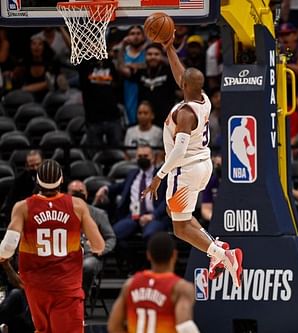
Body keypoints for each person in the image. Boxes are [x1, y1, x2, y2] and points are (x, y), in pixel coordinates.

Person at [141, 37, 244, 288]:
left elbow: (178, 150)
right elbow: (182, 74)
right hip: (201, 166)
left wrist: (159, 176)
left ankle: (224, 255)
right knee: (179, 217)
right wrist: (169, 48)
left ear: (184, 86)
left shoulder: (185, 114)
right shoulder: (203, 99)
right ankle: (217, 248)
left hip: (183, 170)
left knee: (180, 228)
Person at [0, 159, 105, 333]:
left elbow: (7, 248)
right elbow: (99, 246)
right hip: (66, 285)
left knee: (43, 330)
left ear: (37, 180)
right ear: (62, 180)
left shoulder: (22, 207)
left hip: (35, 286)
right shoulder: (77, 205)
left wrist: (5, 262)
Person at [107, 232, 199, 333]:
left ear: (148, 255)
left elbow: (113, 326)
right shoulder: (181, 287)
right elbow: (185, 327)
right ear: (174, 255)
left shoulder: (130, 284)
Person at [67, 180, 116, 298]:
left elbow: (111, 238)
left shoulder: (99, 214)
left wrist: (101, 250)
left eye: (81, 191)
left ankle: (81, 299)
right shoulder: (59, 213)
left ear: (87, 194)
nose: (78, 194)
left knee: (87, 266)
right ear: (67, 194)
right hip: (66, 255)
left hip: (90, 256)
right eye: (74, 192)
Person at [1, 150, 42, 221]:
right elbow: (11, 205)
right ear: (26, 166)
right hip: (26, 218)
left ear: (43, 162)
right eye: (32, 166)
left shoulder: (50, 177)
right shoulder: (19, 181)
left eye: (38, 164)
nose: (35, 168)